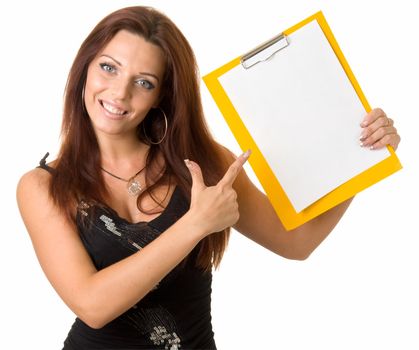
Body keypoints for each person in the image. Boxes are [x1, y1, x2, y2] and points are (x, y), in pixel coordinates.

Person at [16, 6, 401, 350]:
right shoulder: (43, 187)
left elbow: (296, 242)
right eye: (109, 67)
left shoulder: (203, 162)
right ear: (85, 66)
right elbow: (92, 305)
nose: (119, 91)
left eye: (144, 81)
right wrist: (195, 225)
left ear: (161, 95)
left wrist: (363, 155)